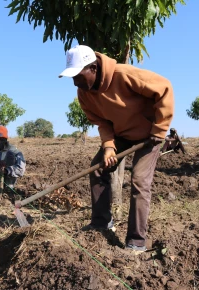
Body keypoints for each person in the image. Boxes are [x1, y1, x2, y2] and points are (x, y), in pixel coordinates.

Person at [59, 45, 174, 252]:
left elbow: (164, 88)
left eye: (78, 75)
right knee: (98, 168)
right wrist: (109, 147)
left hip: (149, 137)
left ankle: (136, 241)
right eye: (72, 77)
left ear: (93, 68)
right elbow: (101, 121)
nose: (75, 82)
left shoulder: (124, 75)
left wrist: (159, 130)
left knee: (139, 181)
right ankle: (102, 223)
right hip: (121, 135)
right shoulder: (84, 93)